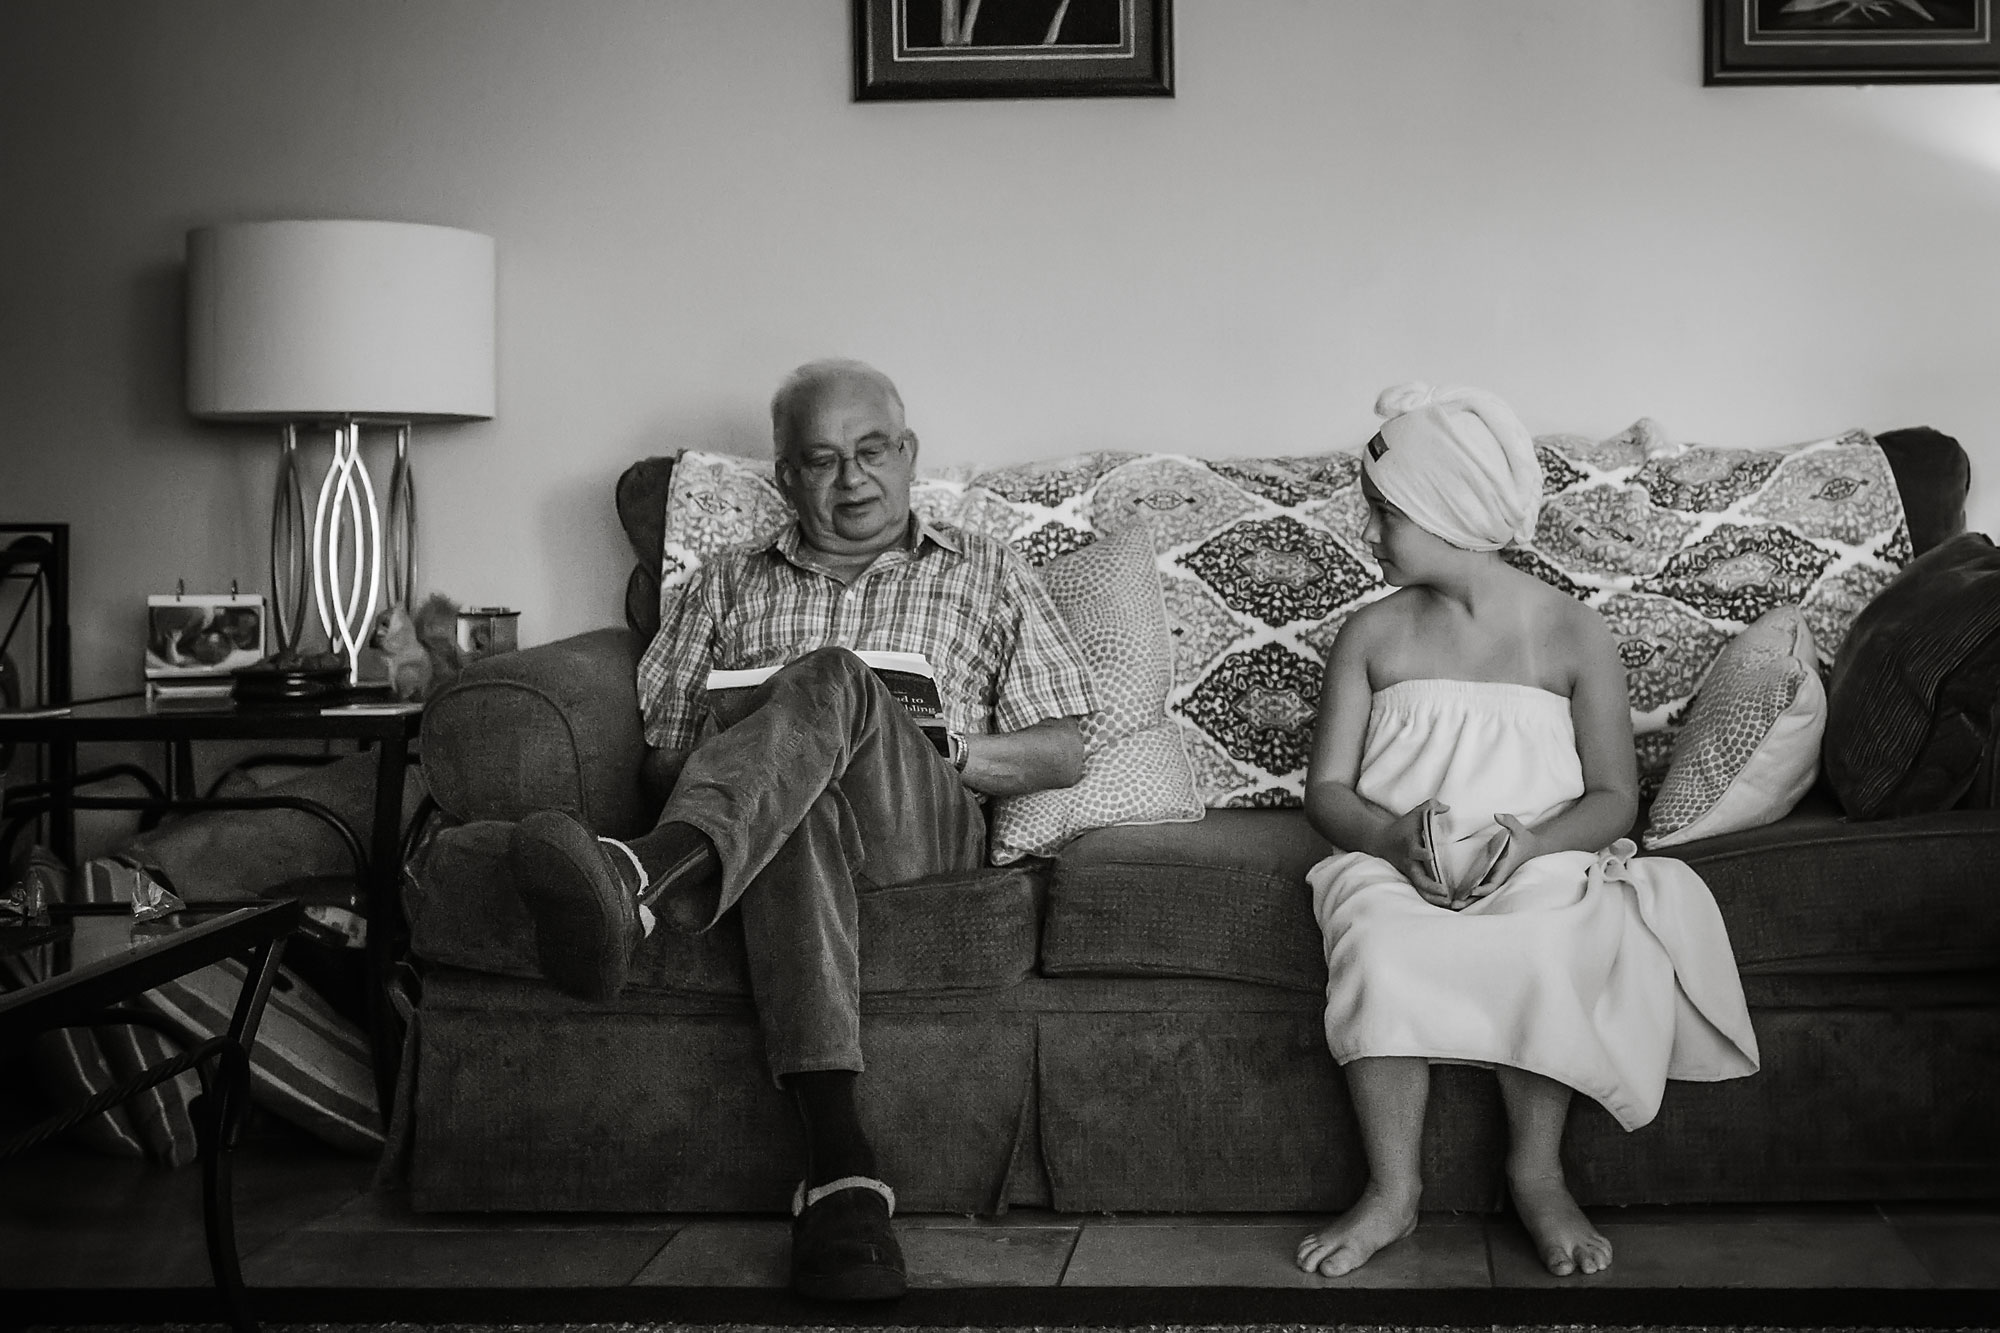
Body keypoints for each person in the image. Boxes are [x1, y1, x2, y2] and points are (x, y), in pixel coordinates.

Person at [507, 358, 1096, 1301]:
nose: (852, 478)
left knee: (829, 674)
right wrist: (748, 748)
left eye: (871, 452)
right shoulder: (727, 583)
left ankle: (648, 878)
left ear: (908, 455)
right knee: (799, 803)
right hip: (774, 833)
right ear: (785, 475)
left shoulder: (987, 569)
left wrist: (946, 751)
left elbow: (1066, 746)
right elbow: (660, 752)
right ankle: (840, 1172)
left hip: (920, 834)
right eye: (821, 460)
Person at [1295, 383, 1760, 1280]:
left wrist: (1538, 846)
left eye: (1382, 515)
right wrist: (1390, 840)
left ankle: (1536, 1170)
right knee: (1379, 944)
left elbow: (1614, 796)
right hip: (1398, 863)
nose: (1369, 534)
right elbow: (1328, 788)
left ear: (1444, 513)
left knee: (1553, 940)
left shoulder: (1573, 634)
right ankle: (1394, 1190)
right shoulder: (1373, 635)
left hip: (1535, 857)